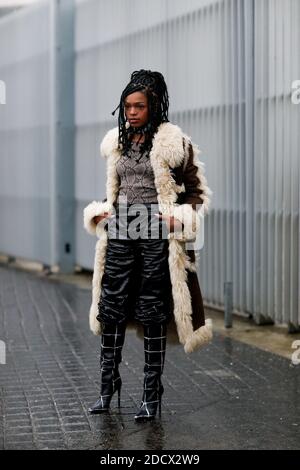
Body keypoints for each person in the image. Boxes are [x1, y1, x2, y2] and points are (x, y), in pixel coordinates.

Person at [83, 69, 213, 421]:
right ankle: (107, 389)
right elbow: (114, 191)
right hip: (121, 232)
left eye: (138, 106)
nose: (131, 113)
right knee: (110, 310)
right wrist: (102, 216)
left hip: (156, 237)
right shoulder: (117, 141)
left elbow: (197, 191)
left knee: (152, 310)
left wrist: (179, 219)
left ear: (154, 106)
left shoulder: (175, 143)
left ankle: (150, 396)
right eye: (127, 106)